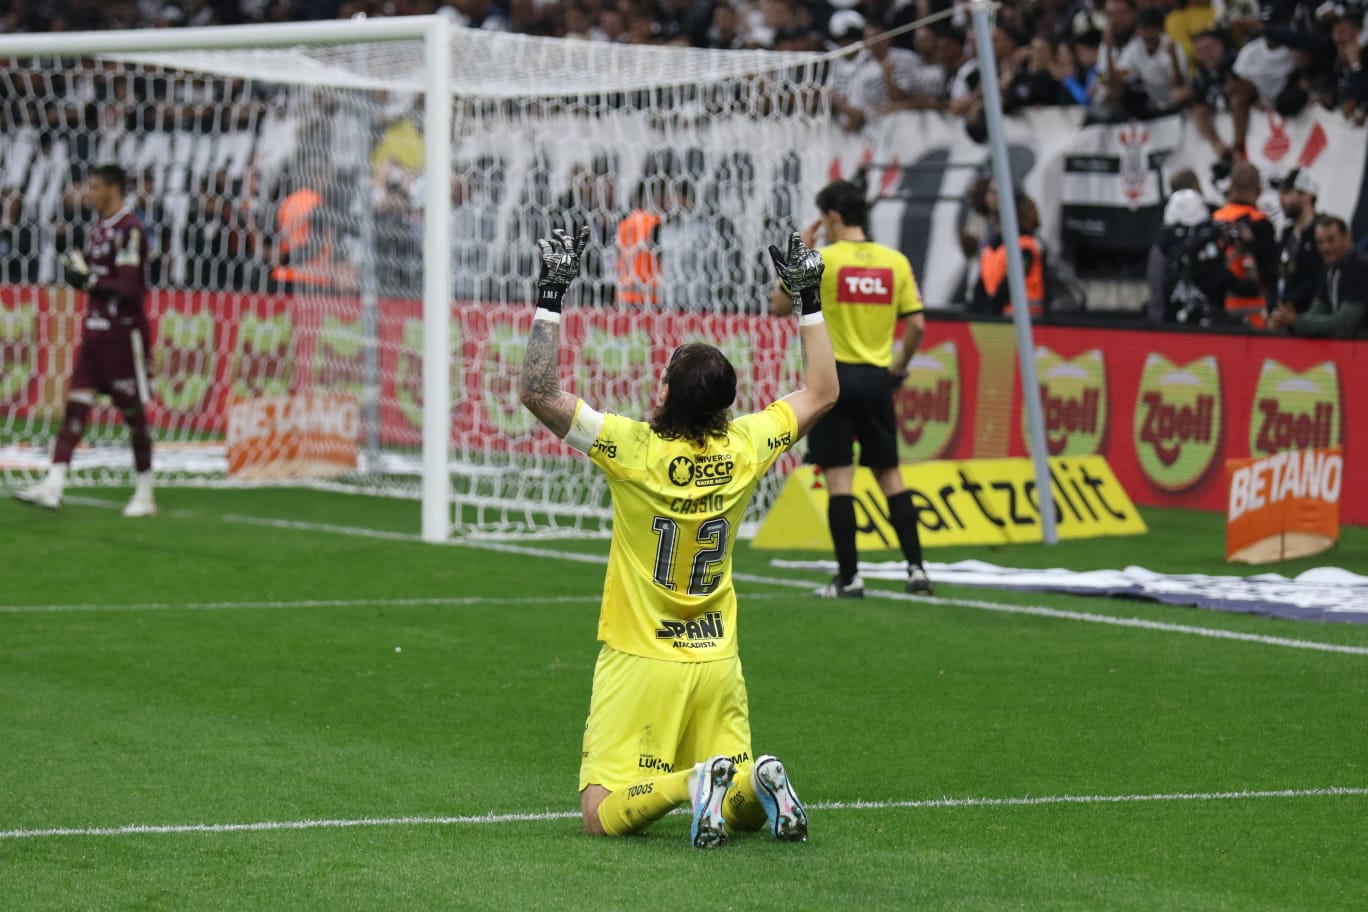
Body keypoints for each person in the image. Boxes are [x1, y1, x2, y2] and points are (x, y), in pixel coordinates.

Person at [518, 224, 839, 847]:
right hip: (718, 660)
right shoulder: (747, 445)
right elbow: (824, 392)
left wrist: (552, 293)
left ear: (664, 392)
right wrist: (808, 299)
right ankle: (755, 780)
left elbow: (538, 392)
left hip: (642, 659)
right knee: (740, 797)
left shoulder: (632, 448)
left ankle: (691, 786)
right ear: (727, 403)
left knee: (600, 810)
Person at [769, 179, 932, 598]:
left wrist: (797, 258)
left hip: (833, 382)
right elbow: (916, 324)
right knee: (890, 475)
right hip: (877, 379)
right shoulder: (895, 262)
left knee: (841, 479)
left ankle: (850, 578)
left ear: (833, 217)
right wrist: (898, 366)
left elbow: (778, 306)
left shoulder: (824, 260)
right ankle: (916, 569)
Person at [15, 164, 155, 516]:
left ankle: (145, 494)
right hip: (93, 334)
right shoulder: (96, 229)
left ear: (113, 189)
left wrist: (90, 281)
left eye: (94, 187)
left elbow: (130, 290)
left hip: (124, 336)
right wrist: (80, 278)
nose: (88, 193)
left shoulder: (130, 230)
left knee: (134, 415)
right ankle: (53, 485)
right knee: (75, 408)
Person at [1268, 215, 1368, 338]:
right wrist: (1286, 319)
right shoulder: (1327, 268)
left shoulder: (1360, 267)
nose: (1325, 247)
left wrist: (1296, 321)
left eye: (1331, 240)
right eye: (1320, 242)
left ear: (1347, 238)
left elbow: (1346, 321)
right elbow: (1318, 310)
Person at [1211, 161, 1278, 326]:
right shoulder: (1261, 224)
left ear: (1231, 186)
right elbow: (1270, 273)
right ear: (1259, 189)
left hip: (1217, 310)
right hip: (1253, 310)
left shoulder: (1215, 219)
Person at [973, 192, 1047, 317]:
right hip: (1016, 320)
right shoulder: (1023, 247)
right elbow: (1004, 285)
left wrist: (984, 314)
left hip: (1012, 318)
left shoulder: (992, 249)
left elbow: (1006, 284)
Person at [1275, 167, 1322, 315]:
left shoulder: (1321, 231)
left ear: (1306, 195)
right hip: (1282, 313)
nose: (1281, 198)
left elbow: (1316, 278)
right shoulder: (1286, 234)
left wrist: (1285, 302)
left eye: (1287, 192)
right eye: (1281, 192)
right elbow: (1276, 274)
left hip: (1308, 315)